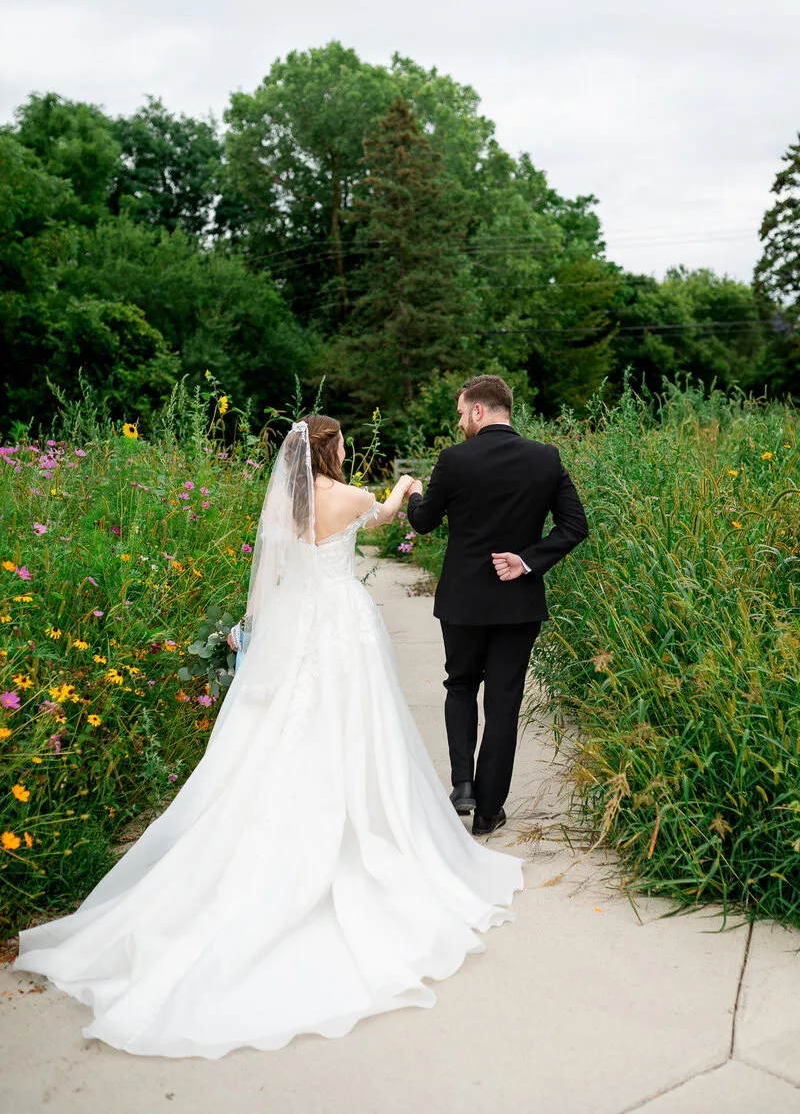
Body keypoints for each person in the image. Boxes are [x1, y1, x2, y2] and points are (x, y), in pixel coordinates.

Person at [14, 414, 523, 1059]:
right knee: (353, 723)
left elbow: (271, 575)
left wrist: (247, 630)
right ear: (331, 449)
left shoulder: (284, 504)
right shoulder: (351, 498)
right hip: (340, 624)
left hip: (291, 621)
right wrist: (403, 486)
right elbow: (393, 517)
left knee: (276, 731)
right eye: (341, 443)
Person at [406, 375, 589, 836]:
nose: (460, 421)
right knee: (505, 702)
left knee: (462, 684)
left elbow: (425, 523)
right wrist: (527, 560)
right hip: (517, 603)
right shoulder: (545, 459)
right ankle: (489, 811)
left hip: (463, 600)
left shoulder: (454, 460)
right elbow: (574, 526)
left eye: (461, 413)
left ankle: (463, 786)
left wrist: (413, 494)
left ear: (480, 411)